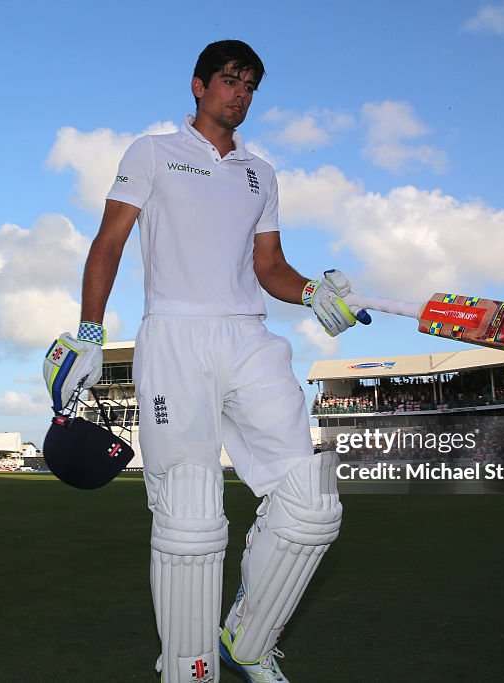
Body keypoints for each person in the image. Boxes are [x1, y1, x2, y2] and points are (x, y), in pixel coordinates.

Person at [45, 39, 365, 682]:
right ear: (198, 85)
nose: (240, 92)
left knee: (310, 501)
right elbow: (108, 242)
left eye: (250, 84)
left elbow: (269, 267)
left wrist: (311, 294)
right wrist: (87, 331)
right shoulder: (153, 152)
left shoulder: (262, 173)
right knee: (189, 512)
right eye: (228, 80)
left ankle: (246, 640)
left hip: (249, 336)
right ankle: (187, 669)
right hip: (174, 335)